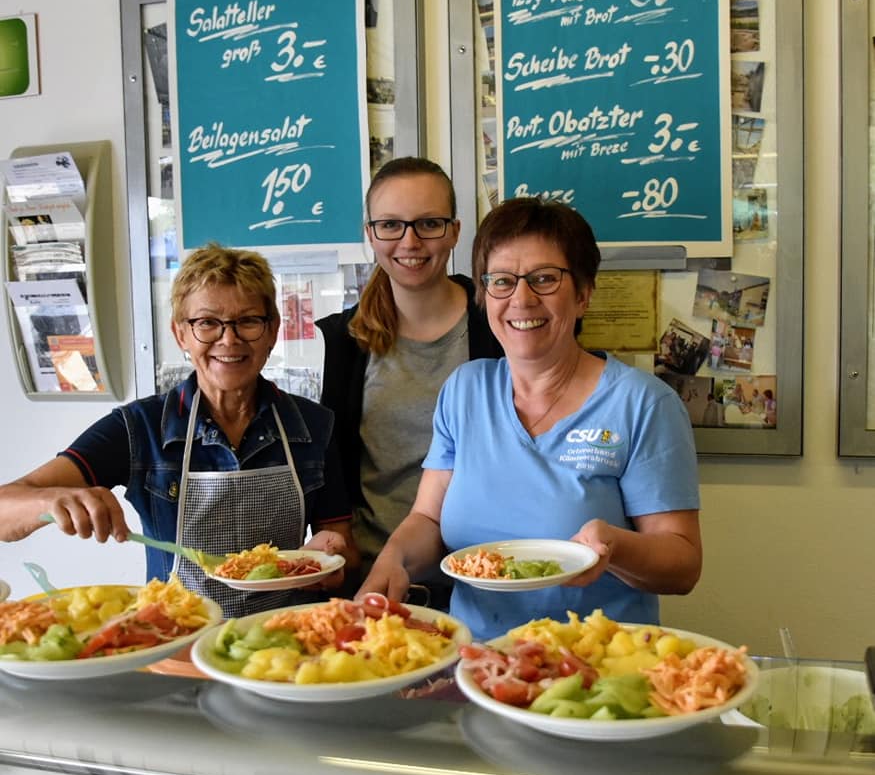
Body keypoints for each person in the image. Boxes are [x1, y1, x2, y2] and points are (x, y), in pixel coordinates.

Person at [360, 197, 702, 641]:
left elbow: (683, 565)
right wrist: (393, 560)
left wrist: (614, 546)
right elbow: (427, 519)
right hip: (477, 661)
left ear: (582, 294)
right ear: (484, 296)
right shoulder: (465, 390)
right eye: (502, 281)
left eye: (544, 279)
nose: (522, 299)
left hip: (598, 665)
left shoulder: (642, 404)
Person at [0, 244, 355, 617]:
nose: (229, 339)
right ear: (180, 334)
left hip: (290, 640)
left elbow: (340, 542)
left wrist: (333, 557)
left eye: (248, 320)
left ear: (272, 331)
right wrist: (50, 501)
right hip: (175, 636)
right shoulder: (140, 428)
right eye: (207, 322)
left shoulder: (314, 426)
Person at [318, 157, 502, 607]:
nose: (410, 241)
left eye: (429, 224)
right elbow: (333, 465)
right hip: (375, 581)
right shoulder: (346, 341)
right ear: (370, 234)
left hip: (484, 578)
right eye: (390, 226)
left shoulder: (501, 327)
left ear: (456, 231)